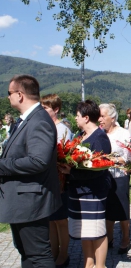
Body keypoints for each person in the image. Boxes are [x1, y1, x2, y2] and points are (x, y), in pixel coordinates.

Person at [0, 75, 61, 267]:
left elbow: (38, 161)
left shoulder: (38, 120)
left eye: (9, 93)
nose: (7, 97)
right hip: (22, 200)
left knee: (38, 255)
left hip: (30, 200)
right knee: (27, 253)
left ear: (20, 95)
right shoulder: (28, 119)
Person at [59, 100, 112, 268]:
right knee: (85, 231)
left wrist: (71, 172)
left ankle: (100, 265)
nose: (75, 118)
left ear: (87, 117)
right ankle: (88, 262)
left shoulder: (100, 137)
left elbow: (100, 167)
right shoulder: (80, 136)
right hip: (77, 190)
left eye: (77, 115)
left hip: (93, 191)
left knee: (96, 230)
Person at [41, 93, 73, 267]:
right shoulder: (47, 126)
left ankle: (64, 254)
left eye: (46, 108)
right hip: (47, 179)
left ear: (56, 109)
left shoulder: (62, 129)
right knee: (51, 220)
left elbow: (63, 154)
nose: (43, 111)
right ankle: (53, 252)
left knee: (60, 220)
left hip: (59, 180)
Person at [98, 103, 131, 254]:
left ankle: (125, 238)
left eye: (103, 116)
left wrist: (111, 160)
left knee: (122, 208)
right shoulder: (99, 133)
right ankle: (109, 237)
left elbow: (129, 156)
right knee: (107, 208)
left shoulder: (123, 133)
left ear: (112, 118)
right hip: (103, 177)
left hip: (119, 175)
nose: (100, 119)